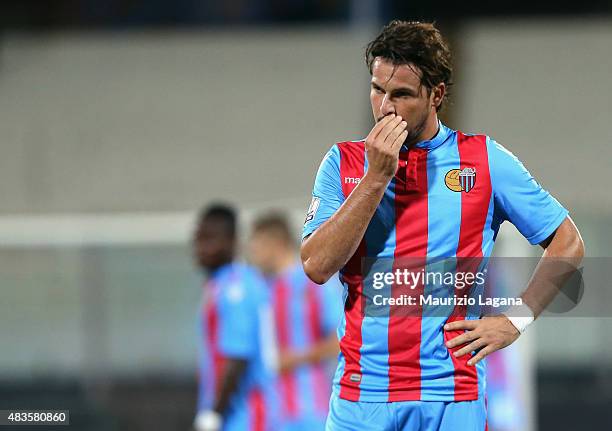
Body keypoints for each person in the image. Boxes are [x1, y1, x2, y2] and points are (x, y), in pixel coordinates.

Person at [300, 20, 584, 431]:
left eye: (401, 94)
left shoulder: (485, 161)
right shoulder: (343, 163)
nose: (385, 108)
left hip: (451, 395)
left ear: (436, 94)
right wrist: (376, 178)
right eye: (378, 89)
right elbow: (316, 265)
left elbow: (568, 243)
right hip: (361, 395)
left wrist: (514, 320)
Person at [248, 212, 343, 431]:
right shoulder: (262, 288)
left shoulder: (314, 283)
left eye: (257, 246)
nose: (253, 254)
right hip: (270, 414)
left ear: (275, 243)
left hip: (310, 411)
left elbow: (341, 340)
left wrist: (296, 358)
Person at [192, 204, 277, 431]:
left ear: (231, 241)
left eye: (209, 239)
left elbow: (238, 356)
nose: (200, 248)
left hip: (248, 417)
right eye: (198, 239)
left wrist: (212, 414)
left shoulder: (236, 288)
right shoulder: (220, 284)